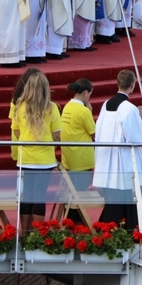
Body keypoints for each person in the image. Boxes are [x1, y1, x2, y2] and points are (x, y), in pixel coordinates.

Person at [93, 70, 142, 225]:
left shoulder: (106, 104)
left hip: (106, 161)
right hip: (123, 164)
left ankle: (109, 230)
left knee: (112, 200)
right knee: (126, 201)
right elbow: (137, 138)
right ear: (132, 86)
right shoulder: (129, 108)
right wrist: (139, 117)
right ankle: (129, 229)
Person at [12, 70, 62, 232]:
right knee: (39, 196)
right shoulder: (52, 108)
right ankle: (37, 234)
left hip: (25, 157)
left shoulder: (20, 107)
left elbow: (17, 132)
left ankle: (24, 231)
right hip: (44, 160)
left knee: (26, 196)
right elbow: (57, 136)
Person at [60, 78, 96, 224]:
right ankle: (78, 224)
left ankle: (70, 221)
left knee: (70, 193)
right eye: (90, 94)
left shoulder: (67, 107)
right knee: (80, 195)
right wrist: (90, 112)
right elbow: (94, 133)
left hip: (68, 157)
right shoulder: (83, 110)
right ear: (85, 92)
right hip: (82, 158)